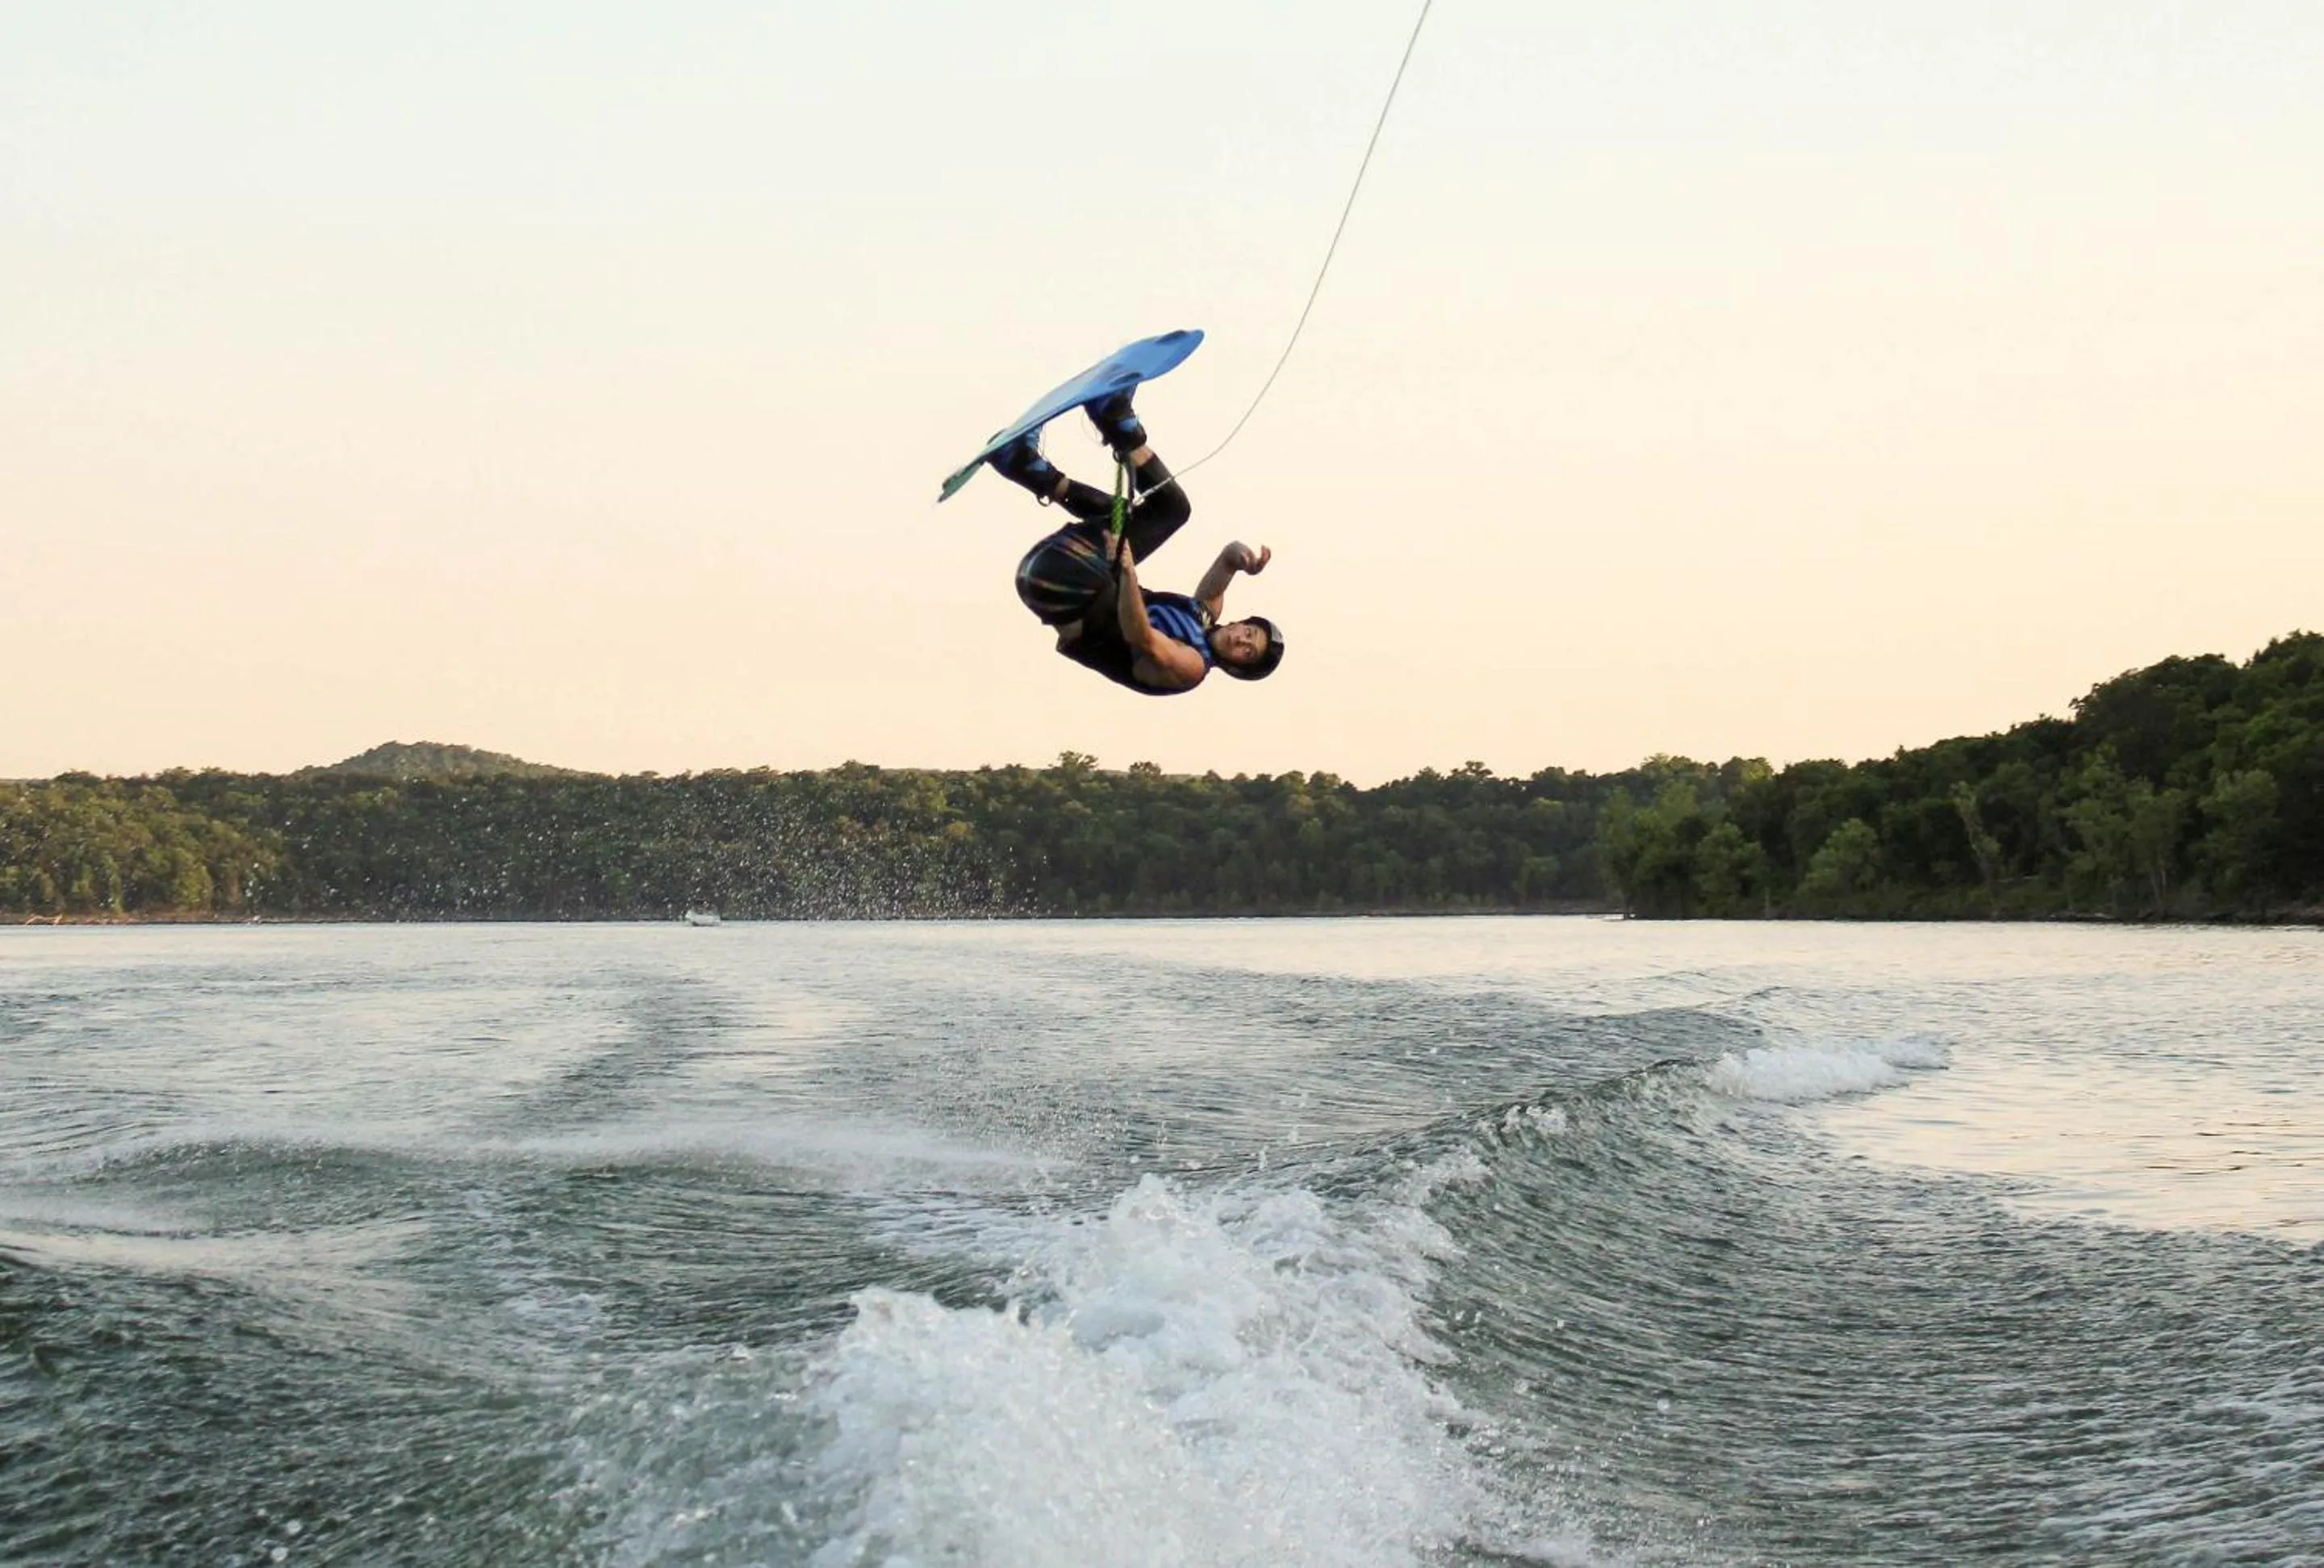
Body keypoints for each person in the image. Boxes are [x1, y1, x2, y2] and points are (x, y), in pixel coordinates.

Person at [989, 391, 1283, 695]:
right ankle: (1024, 464)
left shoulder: (1191, 668)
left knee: (1169, 512)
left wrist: (1128, 572)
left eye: (1247, 651)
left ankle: (1116, 422)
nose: (1241, 640)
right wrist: (1244, 560)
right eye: (1249, 633)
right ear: (1239, 623)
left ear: (1235, 668)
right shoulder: (1203, 615)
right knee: (1150, 513)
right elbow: (1228, 559)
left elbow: (1142, 637)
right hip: (1067, 572)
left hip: (1069, 588)